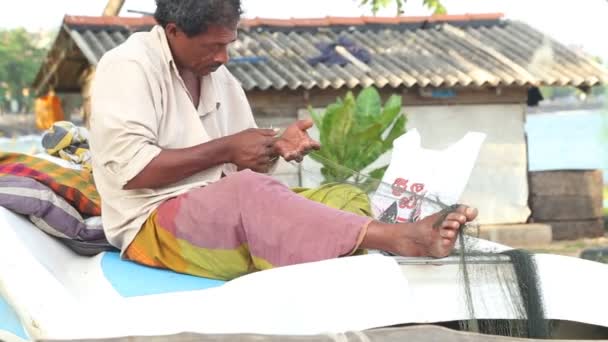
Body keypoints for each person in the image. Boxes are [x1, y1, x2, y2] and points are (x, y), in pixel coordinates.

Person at [89, 0, 478, 281]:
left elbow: (244, 156)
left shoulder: (217, 75)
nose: (224, 57)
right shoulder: (128, 66)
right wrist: (228, 148)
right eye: (213, 46)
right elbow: (132, 171)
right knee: (249, 193)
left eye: (229, 44)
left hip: (224, 210)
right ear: (173, 31)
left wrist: (274, 145)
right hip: (152, 225)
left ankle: (375, 243)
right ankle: (401, 239)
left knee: (342, 197)